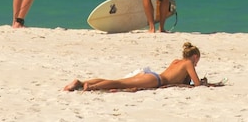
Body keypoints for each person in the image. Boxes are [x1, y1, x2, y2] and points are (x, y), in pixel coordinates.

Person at [62, 42, 202, 91]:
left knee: (118, 81)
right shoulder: (188, 63)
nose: (196, 64)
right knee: (120, 83)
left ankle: (81, 82)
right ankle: (92, 87)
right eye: (197, 60)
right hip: (156, 80)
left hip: (150, 74)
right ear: (195, 57)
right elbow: (197, 84)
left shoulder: (176, 61)